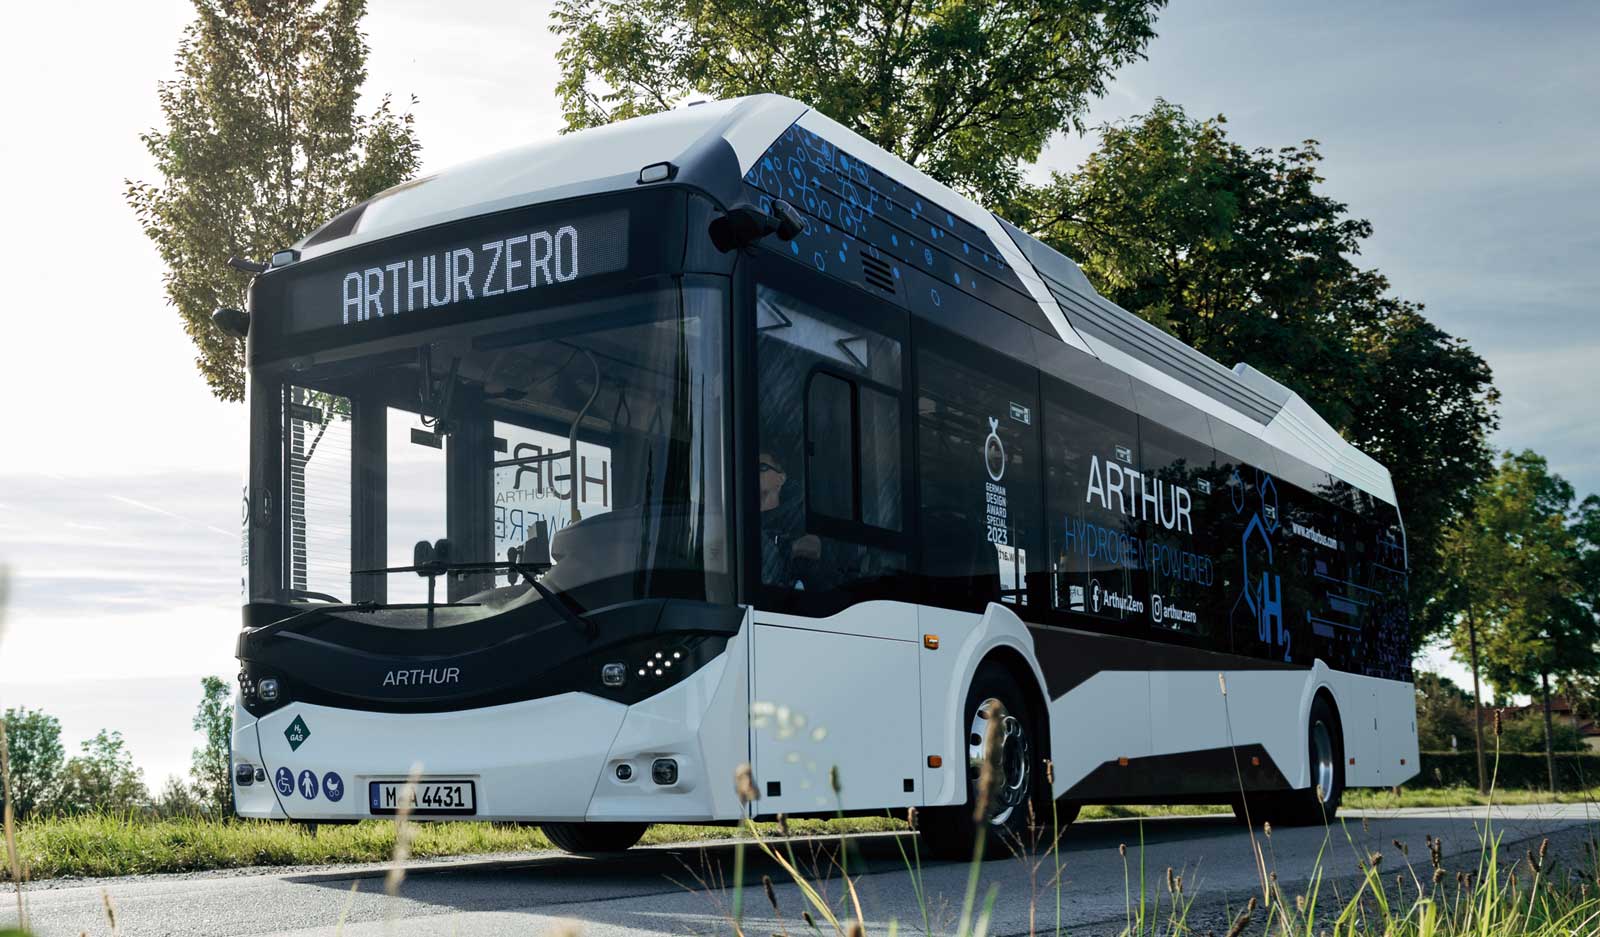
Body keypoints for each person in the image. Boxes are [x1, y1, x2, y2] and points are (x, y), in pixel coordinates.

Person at [759, 450, 821, 588]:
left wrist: (787, 546)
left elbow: (815, 545)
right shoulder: (738, 517)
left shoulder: (795, 516)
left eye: (762, 468)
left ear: (781, 479)